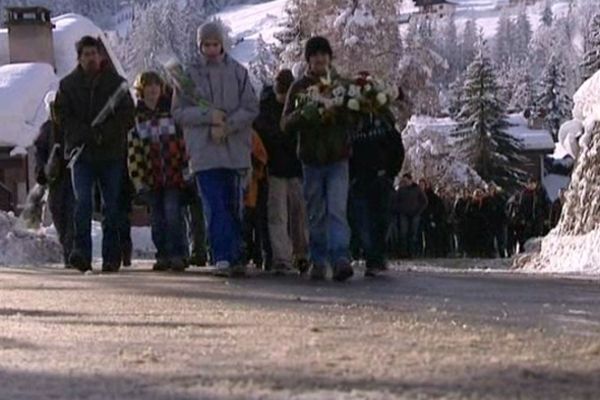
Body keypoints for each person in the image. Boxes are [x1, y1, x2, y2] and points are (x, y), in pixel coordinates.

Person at [172, 21, 258, 277]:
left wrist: (229, 125)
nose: (210, 49)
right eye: (206, 44)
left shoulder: (238, 72)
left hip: (233, 151)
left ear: (222, 44)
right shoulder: (188, 76)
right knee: (214, 204)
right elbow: (178, 112)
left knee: (233, 205)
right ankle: (222, 255)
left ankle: (235, 255)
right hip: (204, 153)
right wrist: (208, 116)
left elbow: (251, 107)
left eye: (214, 44)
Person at [54, 36, 134, 273]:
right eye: (86, 54)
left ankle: (111, 256)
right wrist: (85, 134)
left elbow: (127, 116)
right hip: (82, 155)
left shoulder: (117, 84)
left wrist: (103, 134)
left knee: (112, 206)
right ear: (79, 58)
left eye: (94, 53)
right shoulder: (67, 85)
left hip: (110, 154)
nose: (90, 57)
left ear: (100, 56)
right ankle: (81, 254)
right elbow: (62, 117)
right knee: (82, 204)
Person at [282, 36, 354, 282]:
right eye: (314, 55)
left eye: (324, 54)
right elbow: (286, 123)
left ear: (330, 57)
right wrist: (305, 113)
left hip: (337, 157)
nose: (320, 59)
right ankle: (319, 259)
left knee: (337, 209)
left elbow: (356, 116)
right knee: (316, 211)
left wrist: (342, 112)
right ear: (308, 60)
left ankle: (340, 258)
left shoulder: (342, 84)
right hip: (311, 160)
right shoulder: (299, 87)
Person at [128, 71, 188, 272]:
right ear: (141, 90)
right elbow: (134, 151)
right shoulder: (137, 118)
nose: (153, 89)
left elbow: (182, 142)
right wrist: (138, 180)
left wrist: (186, 167)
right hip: (151, 176)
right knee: (157, 218)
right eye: (148, 86)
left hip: (173, 174)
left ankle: (178, 254)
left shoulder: (171, 113)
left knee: (173, 214)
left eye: (156, 85)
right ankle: (162, 253)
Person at [254, 69, 309, 275]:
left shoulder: (296, 105)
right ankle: (282, 257)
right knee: (278, 214)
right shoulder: (266, 109)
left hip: (294, 167)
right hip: (276, 168)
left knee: (298, 214)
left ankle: (301, 253)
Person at [348, 76, 404, 276]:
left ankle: (377, 257)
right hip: (359, 179)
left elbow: (397, 146)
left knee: (381, 220)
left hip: (381, 177)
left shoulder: (385, 117)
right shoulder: (351, 118)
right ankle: (371, 256)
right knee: (362, 221)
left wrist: (391, 173)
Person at [33, 92, 75, 268]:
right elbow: (39, 153)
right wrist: (41, 172)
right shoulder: (47, 129)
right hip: (55, 180)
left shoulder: (74, 126)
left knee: (73, 214)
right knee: (59, 214)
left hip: (73, 177)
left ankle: (72, 253)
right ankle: (68, 250)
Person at [242, 131, 272, 270]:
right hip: (247, 190)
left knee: (259, 223)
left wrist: (256, 172)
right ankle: (249, 253)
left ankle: (261, 255)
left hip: (255, 188)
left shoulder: (251, 135)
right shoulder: (250, 135)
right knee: (249, 224)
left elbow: (262, 157)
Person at [393, 174, 428, 259]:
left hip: (415, 215)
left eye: (406, 181)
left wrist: (418, 211)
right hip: (403, 214)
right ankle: (403, 253)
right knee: (403, 234)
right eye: (404, 181)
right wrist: (399, 209)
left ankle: (411, 253)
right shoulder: (401, 190)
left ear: (410, 180)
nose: (405, 182)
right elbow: (395, 201)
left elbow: (424, 201)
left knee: (413, 234)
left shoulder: (417, 189)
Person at [514, 178, 550, 251]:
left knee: (537, 235)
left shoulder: (541, 193)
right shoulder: (524, 194)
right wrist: (521, 218)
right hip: (528, 218)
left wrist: (546, 217)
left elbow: (546, 205)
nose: (531, 185)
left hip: (538, 218)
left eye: (533, 184)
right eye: (530, 184)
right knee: (526, 236)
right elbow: (521, 207)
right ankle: (524, 250)